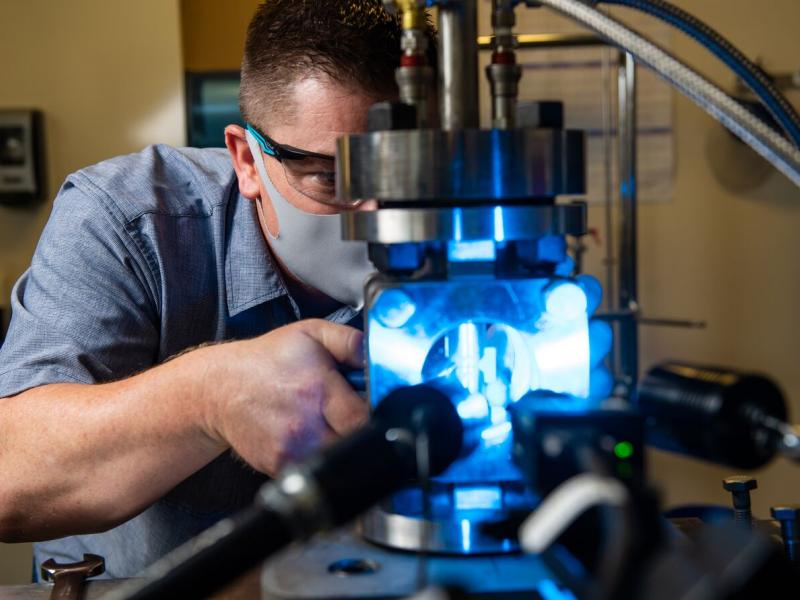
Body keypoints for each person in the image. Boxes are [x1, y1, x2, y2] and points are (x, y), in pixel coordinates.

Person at [0, 1, 436, 578]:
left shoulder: (470, 231)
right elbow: (11, 476)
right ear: (247, 160)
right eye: (333, 179)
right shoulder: (130, 221)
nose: (383, 216)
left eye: (415, 178)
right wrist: (207, 397)